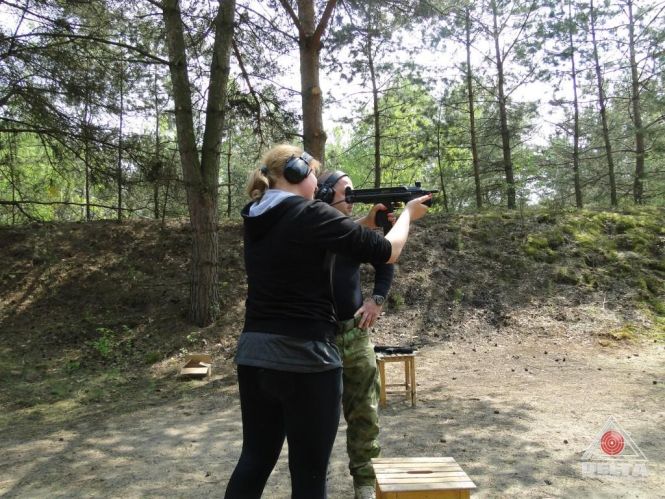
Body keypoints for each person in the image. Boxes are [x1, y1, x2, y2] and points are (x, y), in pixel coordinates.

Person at [224, 144, 430, 499]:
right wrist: (409, 214)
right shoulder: (310, 213)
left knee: (255, 459)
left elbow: (319, 241)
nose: (317, 182)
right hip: (307, 358)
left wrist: (366, 223)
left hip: (254, 355)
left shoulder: (257, 215)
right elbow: (389, 251)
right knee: (309, 473)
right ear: (295, 173)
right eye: (313, 174)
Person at [316, 171, 392, 499]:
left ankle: (364, 484)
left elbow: (386, 259)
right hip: (318, 339)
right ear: (323, 193)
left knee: (364, 413)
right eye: (346, 193)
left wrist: (377, 300)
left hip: (355, 333)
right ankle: (313, 484)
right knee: (317, 418)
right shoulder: (307, 229)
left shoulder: (352, 234)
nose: (352, 199)